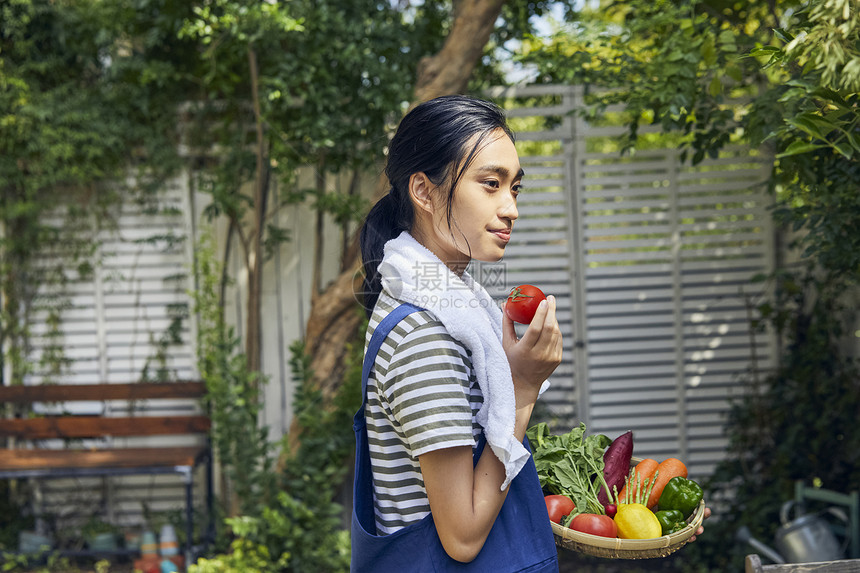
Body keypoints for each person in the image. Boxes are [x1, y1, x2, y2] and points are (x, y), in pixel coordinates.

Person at [351, 95, 706, 572]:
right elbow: (462, 536)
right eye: (490, 184)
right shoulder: (425, 335)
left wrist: (631, 514)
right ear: (424, 190)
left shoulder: (446, 304)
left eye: (514, 188)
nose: (510, 208)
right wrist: (521, 389)